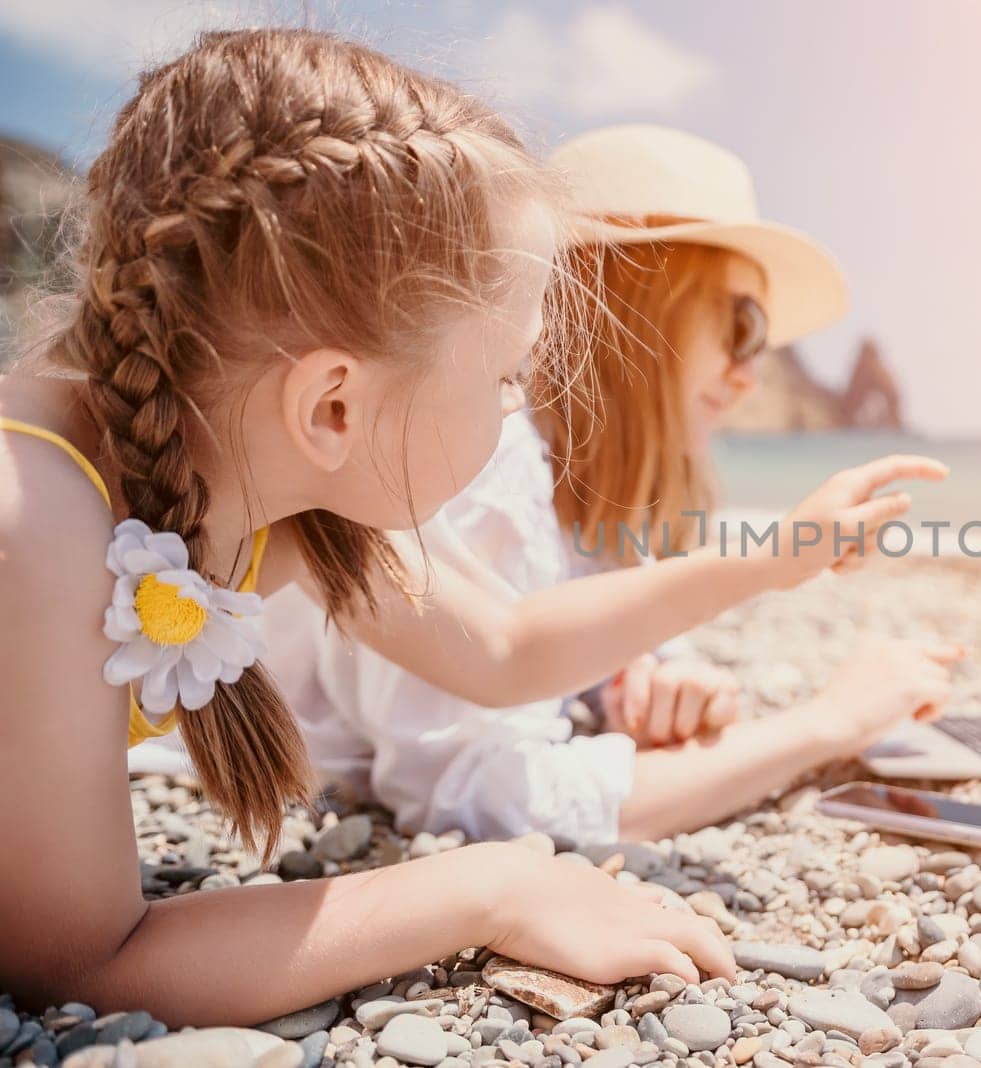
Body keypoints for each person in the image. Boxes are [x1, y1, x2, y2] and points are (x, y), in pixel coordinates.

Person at [0, 32, 932, 1023]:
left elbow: (504, 648)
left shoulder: (290, 504)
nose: (516, 412)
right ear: (331, 409)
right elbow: (84, 962)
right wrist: (489, 890)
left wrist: (775, 558)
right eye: (506, 379)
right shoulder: (34, 523)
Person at [263, 125, 961, 845]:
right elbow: (474, 797)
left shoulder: (572, 478)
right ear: (644, 305)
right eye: (741, 325)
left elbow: (551, 625)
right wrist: (828, 723)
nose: (751, 372)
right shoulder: (482, 462)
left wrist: (632, 678)